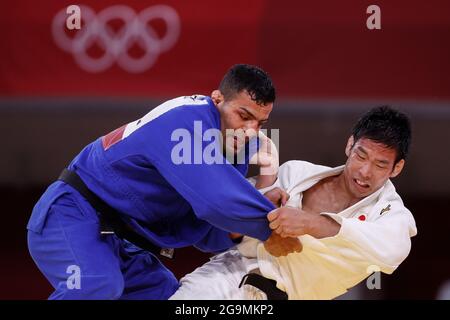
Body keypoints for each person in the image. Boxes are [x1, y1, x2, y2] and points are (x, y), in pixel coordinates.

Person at [27, 64, 300, 300]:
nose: (251, 130)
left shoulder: (234, 152)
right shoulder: (186, 120)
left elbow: (206, 230)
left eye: (261, 124)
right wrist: (270, 223)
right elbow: (217, 203)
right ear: (217, 99)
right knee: (96, 283)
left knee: (171, 297)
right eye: (244, 116)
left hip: (122, 239)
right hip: (72, 211)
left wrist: (255, 211)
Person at [170, 106, 417, 300]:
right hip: (224, 277)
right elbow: (228, 216)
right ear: (350, 145)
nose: (365, 171)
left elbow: (392, 251)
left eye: (380, 164)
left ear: (397, 168)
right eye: (361, 155)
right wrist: (259, 208)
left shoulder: (392, 215)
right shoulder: (297, 173)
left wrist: (312, 223)